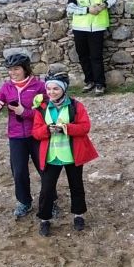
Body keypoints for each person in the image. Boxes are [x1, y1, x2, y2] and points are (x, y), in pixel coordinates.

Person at [31, 75, 97, 237]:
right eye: (48, 89)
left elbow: (85, 127)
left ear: (64, 89)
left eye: (56, 88)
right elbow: (35, 132)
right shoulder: (42, 107)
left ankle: (79, 215)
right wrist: (47, 130)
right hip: (51, 156)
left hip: (72, 155)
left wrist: (66, 128)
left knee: (76, 186)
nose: (51, 92)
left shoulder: (76, 106)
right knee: (46, 189)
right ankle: (45, 219)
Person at [0, 51, 46, 220]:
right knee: (19, 171)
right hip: (16, 136)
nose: (12, 72)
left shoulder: (39, 86)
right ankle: (24, 202)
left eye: (16, 69)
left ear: (25, 69)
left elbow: (46, 112)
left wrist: (23, 112)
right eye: (10, 69)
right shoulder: (6, 87)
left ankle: (50, 200)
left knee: (45, 169)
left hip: (37, 134)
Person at [66, 0, 111, 94]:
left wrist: (104, 5)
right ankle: (89, 81)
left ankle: (100, 84)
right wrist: (87, 10)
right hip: (79, 28)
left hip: (97, 27)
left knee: (96, 56)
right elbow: (70, 7)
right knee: (83, 56)